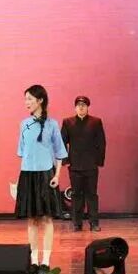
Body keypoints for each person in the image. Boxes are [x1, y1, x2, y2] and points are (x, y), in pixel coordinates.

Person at [17, 85, 68, 274]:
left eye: (30, 99)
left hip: (47, 175)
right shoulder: (24, 124)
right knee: (32, 220)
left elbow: (60, 152)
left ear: (40, 101)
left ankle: (45, 262)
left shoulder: (52, 124)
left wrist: (57, 175)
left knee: (46, 219)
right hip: (27, 174)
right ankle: (33, 261)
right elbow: (22, 152)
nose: (26, 102)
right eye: (25, 99)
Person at [61, 96, 106, 231]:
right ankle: (77, 223)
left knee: (92, 194)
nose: (81, 107)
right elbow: (62, 142)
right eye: (79, 105)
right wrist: (65, 160)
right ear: (75, 107)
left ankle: (94, 223)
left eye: (84, 105)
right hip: (75, 165)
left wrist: (99, 161)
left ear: (87, 107)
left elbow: (101, 142)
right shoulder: (68, 122)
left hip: (91, 165)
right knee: (76, 195)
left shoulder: (96, 122)